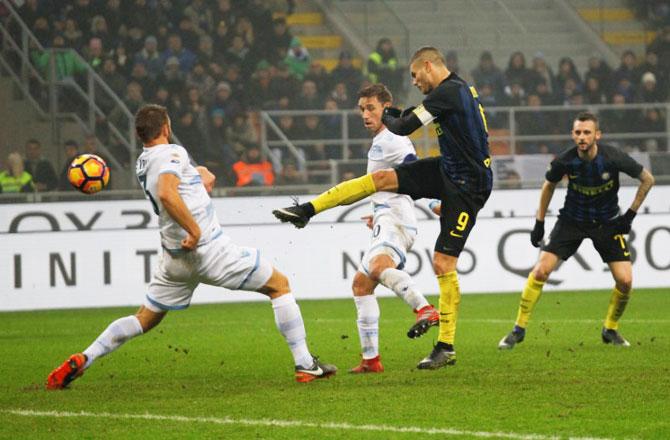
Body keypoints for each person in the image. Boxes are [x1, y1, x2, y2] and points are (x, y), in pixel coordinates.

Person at [46, 104, 336, 389]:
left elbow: (174, 181)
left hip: (174, 260)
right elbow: (168, 193)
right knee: (279, 286)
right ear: (166, 127)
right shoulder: (173, 151)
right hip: (208, 250)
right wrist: (195, 230)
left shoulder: (144, 161)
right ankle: (305, 365)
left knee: (144, 319)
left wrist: (199, 173)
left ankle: (86, 357)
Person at [273, 46, 492, 370]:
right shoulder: (454, 90)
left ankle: (445, 345)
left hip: (468, 186)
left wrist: (388, 112)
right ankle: (308, 209)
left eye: (415, 76)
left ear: (429, 67)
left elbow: (403, 127)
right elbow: (409, 120)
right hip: (449, 169)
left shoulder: (448, 93)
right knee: (379, 179)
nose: (415, 82)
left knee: (443, 263)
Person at [498, 112, 655, 350]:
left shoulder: (613, 158)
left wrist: (630, 215)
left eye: (587, 132)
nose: (582, 137)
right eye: (578, 133)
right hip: (572, 221)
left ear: (597, 135)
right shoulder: (565, 160)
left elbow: (648, 179)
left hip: (607, 222)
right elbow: (548, 185)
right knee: (540, 271)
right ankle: (518, 329)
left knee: (625, 280)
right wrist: (539, 222)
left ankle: (610, 328)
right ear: (573, 134)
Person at [348, 84, 439, 374]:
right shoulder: (382, 140)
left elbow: (414, 168)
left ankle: (424, 308)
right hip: (386, 217)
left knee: (377, 267)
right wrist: (377, 212)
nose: (365, 114)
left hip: (396, 219)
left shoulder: (391, 139)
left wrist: (437, 199)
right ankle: (370, 360)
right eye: (362, 108)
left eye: (371, 108)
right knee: (362, 285)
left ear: (386, 108)